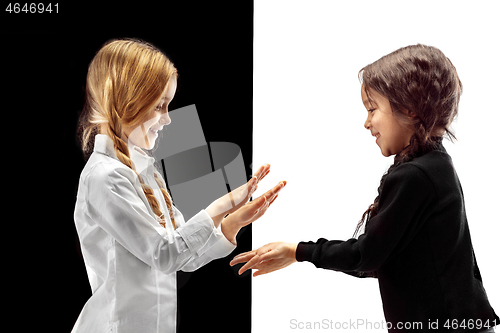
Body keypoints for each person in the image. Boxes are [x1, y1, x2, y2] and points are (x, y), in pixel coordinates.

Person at [231, 44, 498, 332]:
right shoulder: (435, 165)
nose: (366, 123)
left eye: (372, 109)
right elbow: (378, 259)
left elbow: (365, 255)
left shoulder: (417, 175)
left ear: (409, 107)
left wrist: (298, 251)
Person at [73, 38, 286, 333]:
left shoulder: (145, 172)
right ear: (126, 100)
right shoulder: (104, 177)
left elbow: (185, 257)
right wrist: (222, 205)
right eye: (159, 105)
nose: (168, 119)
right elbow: (166, 254)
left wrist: (234, 220)